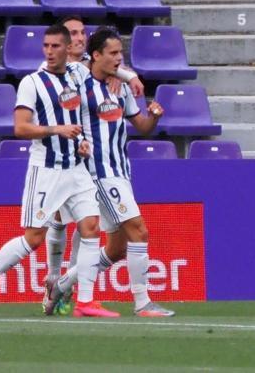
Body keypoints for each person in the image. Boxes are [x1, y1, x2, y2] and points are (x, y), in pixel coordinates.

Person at [0, 24, 116, 319]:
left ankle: (85, 301)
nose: (49, 51)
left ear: (68, 49)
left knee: (91, 228)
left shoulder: (77, 75)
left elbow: (100, 72)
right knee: (33, 238)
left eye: (55, 46)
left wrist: (123, 77)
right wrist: (56, 129)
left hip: (76, 168)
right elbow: (20, 128)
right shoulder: (32, 83)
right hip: (46, 170)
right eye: (46, 46)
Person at [44, 27, 175, 317]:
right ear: (96, 55)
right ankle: (142, 302)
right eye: (113, 53)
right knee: (139, 230)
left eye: (121, 53)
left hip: (121, 170)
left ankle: (63, 283)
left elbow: (140, 125)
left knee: (116, 248)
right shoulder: (78, 82)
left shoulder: (120, 87)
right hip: (97, 173)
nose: (119, 59)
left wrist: (152, 116)